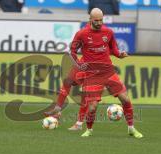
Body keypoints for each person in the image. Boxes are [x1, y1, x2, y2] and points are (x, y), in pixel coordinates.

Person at [47, 8, 143, 138]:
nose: (99, 23)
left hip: (108, 71)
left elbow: (113, 49)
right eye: (96, 20)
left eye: (101, 20)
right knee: (92, 107)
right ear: (90, 20)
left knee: (125, 99)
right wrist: (79, 64)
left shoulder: (108, 32)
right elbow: (73, 52)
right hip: (92, 74)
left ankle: (131, 128)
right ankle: (88, 129)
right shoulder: (82, 34)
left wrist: (120, 54)